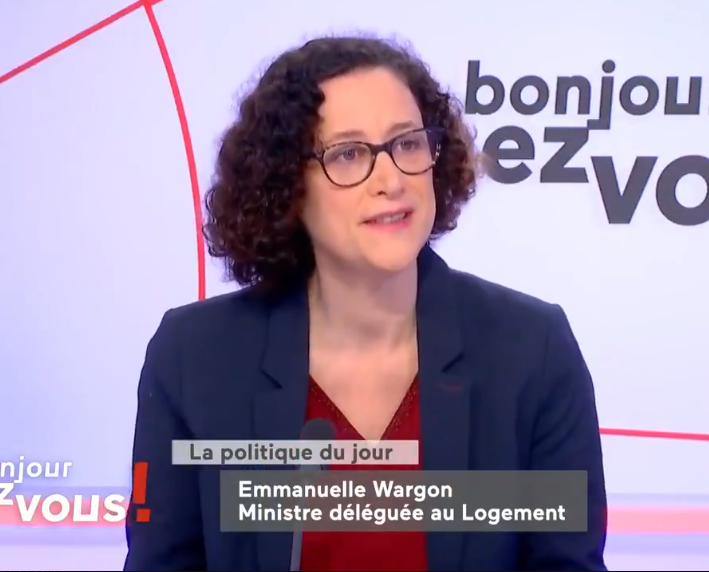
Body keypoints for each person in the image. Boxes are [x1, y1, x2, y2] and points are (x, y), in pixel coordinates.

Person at [123, 35, 607, 571]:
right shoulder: (195, 357)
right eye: (348, 154)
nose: (391, 180)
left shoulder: (530, 350)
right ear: (287, 185)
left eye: (407, 144)